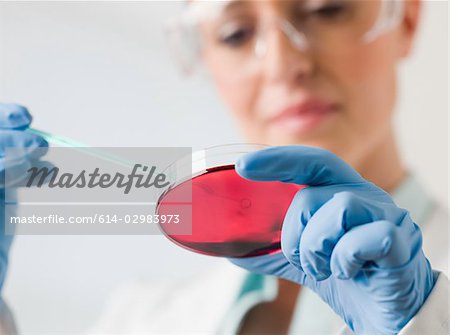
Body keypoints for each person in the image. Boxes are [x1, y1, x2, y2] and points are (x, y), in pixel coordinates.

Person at [0, 0, 448, 334]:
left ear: (405, 18)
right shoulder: (140, 320)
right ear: (206, 62)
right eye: (235, 34)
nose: (282, 64)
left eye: (325, 8)